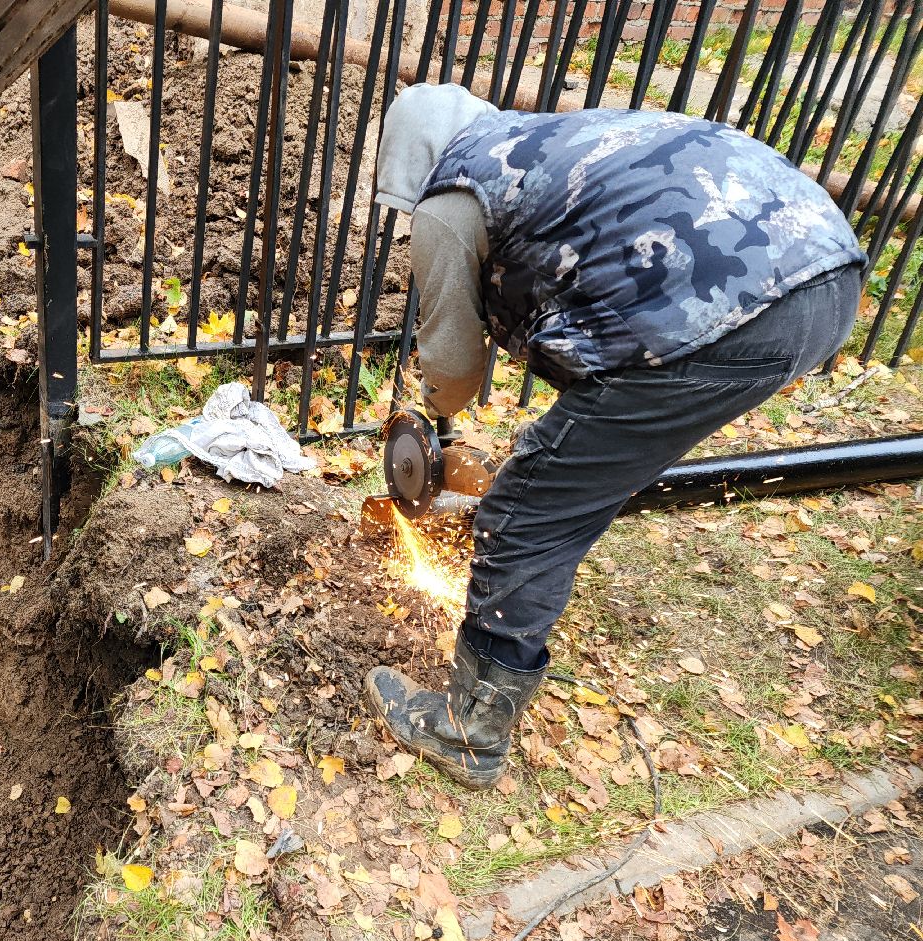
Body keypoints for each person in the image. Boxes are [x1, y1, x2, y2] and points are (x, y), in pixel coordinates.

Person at [365, 83, 865, 791]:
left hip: (726, 316)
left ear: (410, 161)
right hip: (824, 277)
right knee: (571, 464)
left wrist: (437, 412)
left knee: (529, 512)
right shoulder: (550, 146)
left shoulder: (448, 202)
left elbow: (451, 369)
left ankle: (468, 732)